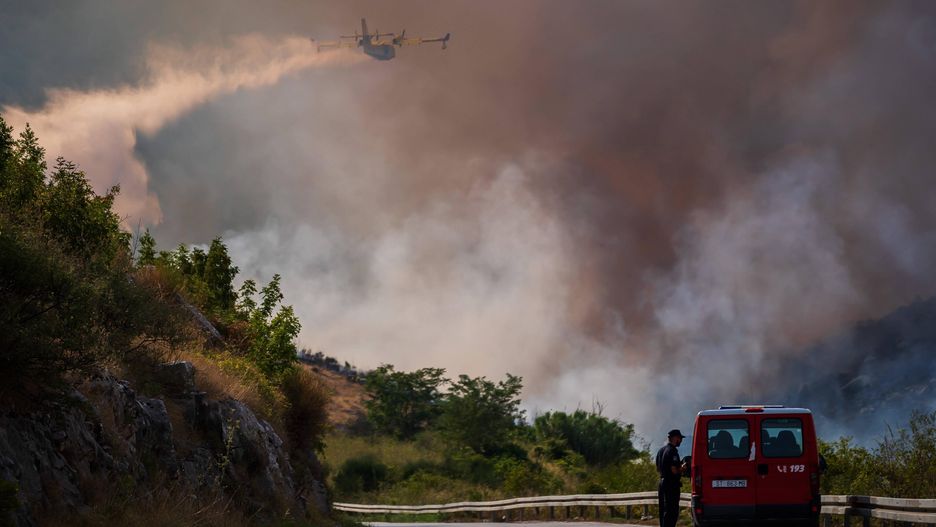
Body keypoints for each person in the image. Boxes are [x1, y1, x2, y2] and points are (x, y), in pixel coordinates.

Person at [655, 429, 686, 527]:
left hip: (662, 483)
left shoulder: (661, 451)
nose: (681, 441)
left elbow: (658, 469)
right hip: (671, 485)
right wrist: (682, 468)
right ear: (675, 438)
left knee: (663, 510)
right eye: (680, 438)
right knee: (672, 511)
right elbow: (674, 470)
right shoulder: (672, 451)